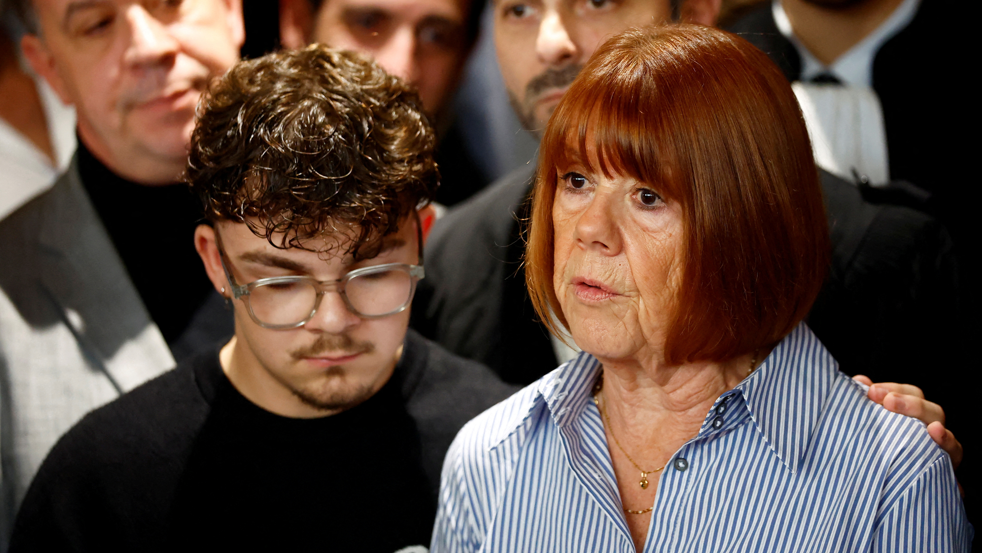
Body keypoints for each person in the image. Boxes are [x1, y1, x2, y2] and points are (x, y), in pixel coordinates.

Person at [431, 25, 971, 552]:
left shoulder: (892, 478)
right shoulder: (487, 458)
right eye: (576, 181)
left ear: (750, 225)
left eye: (647, 196)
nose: (590, 229)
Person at [9, 45, 516, 552]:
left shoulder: (505, 449)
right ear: (215, 262)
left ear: (424, 235)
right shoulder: (101, 484)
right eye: (282, 284)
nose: (333, 321)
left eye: (372, 273)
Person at [0, 0, 243, 544]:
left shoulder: (399, 244)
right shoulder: (6, 297)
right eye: (96, 24)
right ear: (49, 69)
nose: (150, 46)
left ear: (231, 9)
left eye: (170, 3)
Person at [279, 0, 490, 206]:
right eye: (368, 22)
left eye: (435, 36)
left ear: (467, 54)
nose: (401, 70)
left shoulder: (484, 227)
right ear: (299, 22)